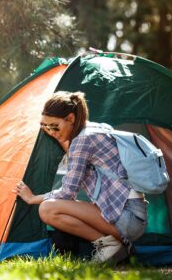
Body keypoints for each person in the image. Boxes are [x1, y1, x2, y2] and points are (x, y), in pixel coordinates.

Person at [13, 91, 148, 263]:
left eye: (54, 126)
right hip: (132, 215)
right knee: (53, 207)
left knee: (47, 209)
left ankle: (109, 245)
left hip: (127, 218)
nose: (51, 131)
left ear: (70, 118)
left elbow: (68, 192)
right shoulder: (94, 129)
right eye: (46, 127)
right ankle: (117, 244)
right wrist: (53, 129)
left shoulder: (82, 141)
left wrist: (33, 198)